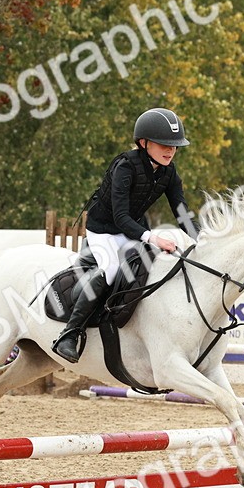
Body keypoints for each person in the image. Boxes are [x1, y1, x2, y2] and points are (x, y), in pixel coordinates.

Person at [51, 107, 198, 363]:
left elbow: (182, 212)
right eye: (164, 144)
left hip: (133, 229)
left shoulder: (169, 172)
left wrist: (202, 239)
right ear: (143, 143)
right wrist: (154, 238)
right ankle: (69, 334)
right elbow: (120, 218)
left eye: (174, 146)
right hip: (104, 230)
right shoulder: (125, 166)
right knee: (110, 270)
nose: (171, 150)